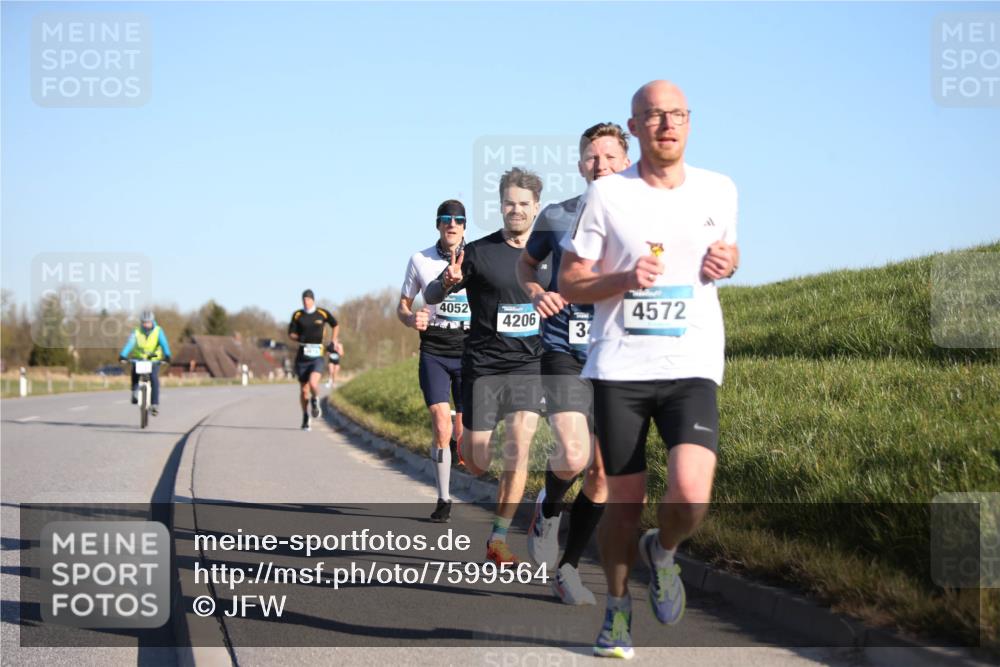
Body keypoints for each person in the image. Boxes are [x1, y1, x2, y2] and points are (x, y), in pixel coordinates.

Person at [559, 80, 740, 660]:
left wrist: (730, 261)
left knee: (691, 496)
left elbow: (725, 254)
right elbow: (570, 281)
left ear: (690, 122)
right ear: (634, 127)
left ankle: (662, 553)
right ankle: (616, 609)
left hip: (692, 362)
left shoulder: (720, 189)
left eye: (677, 114)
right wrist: (621, 279)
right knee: (622, 500)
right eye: (653, 116)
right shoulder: (608, 195)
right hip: (620, 368)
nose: (666, 124)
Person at [516, 122, 632, 605]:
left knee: (603, 474)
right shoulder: (559, 215)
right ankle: (548, 509)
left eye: (609, 156)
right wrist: (538, 292)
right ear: (580, 164)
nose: (600, 165)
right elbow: (526, 266)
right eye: (591, 157)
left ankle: (567, 570)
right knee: (575, 453)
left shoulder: (649, 215)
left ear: (626, 161)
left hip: (620, 356)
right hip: (564, 349)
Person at [424, 168, 547, 566]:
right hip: (483, 368)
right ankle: (467, 444)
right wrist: (446, 282)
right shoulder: (477, 253)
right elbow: (429, 294)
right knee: (478, 463)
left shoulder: (550, 254)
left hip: (529, 365)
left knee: (520, 447)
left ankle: (498, 538)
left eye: (524, 204)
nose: (516, 210)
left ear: (536, 207)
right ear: (500, 206)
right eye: (509, 203)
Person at [398, 199, 470, 523]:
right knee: (441, 423)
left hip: (470, 348)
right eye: (445, 219)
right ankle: (444, 498)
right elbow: (402, 306)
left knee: (463, 434)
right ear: (438, 225)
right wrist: (411, 319)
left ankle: (459, 442)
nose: (451, 224)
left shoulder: (477, 258)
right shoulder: (420, 260)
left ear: (464, 226)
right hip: (436, 349)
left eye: (457, 220)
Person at [288, 290, 341, 431]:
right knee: (304, 390)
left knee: (313, 383)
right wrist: (298, 337)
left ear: (313, 300)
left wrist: (334, 340)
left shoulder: (322, 313)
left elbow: (335, 324)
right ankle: (305, 416)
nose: (306, 302)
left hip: (317, 355)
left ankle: (315, 400)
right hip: (302, 356)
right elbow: (291, 333)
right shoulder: (298, 315)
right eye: (304, 299)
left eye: (308, 299)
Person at [118, 310, 172, 416]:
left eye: (148, 322)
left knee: (154, 378)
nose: (146, 324)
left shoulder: (158, 331)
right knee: (135, 373)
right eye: (144, 322)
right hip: (139, 358)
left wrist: (167, 355)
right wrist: (123, 355)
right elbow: (130, 343)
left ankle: (155, 404)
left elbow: (164, 344)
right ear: (141, 322)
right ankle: (134, 391)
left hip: (153, 359)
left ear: (152, 321)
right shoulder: (137, 331)